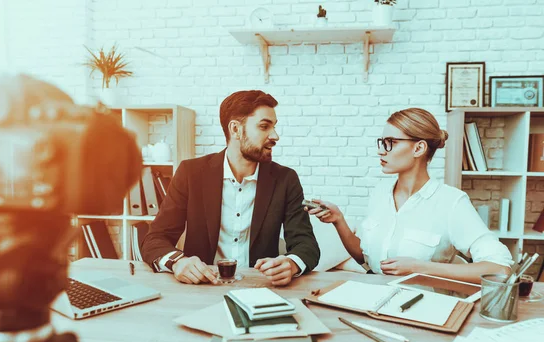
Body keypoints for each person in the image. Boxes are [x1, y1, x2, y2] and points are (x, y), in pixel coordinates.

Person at [307, 108, 513, 284]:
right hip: (373, 301)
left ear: (419, 148)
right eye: (381, 142)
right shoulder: (380, 193)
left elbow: (500, 268)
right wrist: (339, 221)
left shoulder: (451, 202)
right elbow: (365, 259)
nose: (381, 151)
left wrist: (420, 268)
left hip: (424, 311)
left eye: (390, 142)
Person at [142, 90, 320, 285]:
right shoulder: (191, 173)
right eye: (264, 126)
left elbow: (306, 244)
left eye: (274, 126)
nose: (275, 136)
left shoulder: (286, 179)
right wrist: (177, 262)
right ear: (235, 129)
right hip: (201, 288)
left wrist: (291, 263)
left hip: (260, 288)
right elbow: (155, 239)